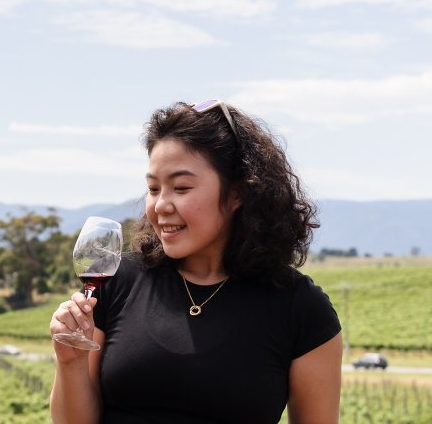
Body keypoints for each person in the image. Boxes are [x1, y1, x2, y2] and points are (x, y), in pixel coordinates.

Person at [49, 100, 342, 424]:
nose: (161, 205)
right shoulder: (118, 280)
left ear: (237, 193)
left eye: (181, 187)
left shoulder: (301, 310)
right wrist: (70, 363)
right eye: (153, 188)